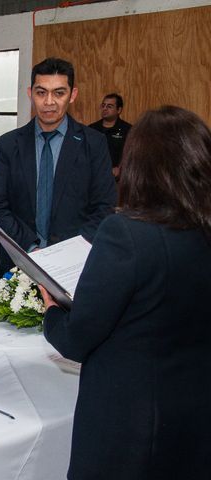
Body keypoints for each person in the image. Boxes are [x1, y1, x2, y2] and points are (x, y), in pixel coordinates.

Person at [41, 106, 211, 480]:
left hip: (131, 430)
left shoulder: (126, 234)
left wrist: (52, 309)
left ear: (139, 166)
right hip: (194, 421)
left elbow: (76, 338)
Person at [0, 57, 116, 274]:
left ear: (73, 95)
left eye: (59, 93)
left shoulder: (94, 143)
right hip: (20, 263)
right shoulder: (9, 144)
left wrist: (64, 253)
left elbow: (105, 207)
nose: (49, 102)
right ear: (30, 93)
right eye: (41, 92)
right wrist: (31, 248)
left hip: (74, 266)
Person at [89, 93, 132, 179]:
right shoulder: (91, 129)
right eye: (103, 105)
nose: (105, 108)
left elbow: (131, 153)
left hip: (118, 179)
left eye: (109, 106)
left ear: (119, 110)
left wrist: (121, 168)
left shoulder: (128, 130)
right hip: (95, 177)